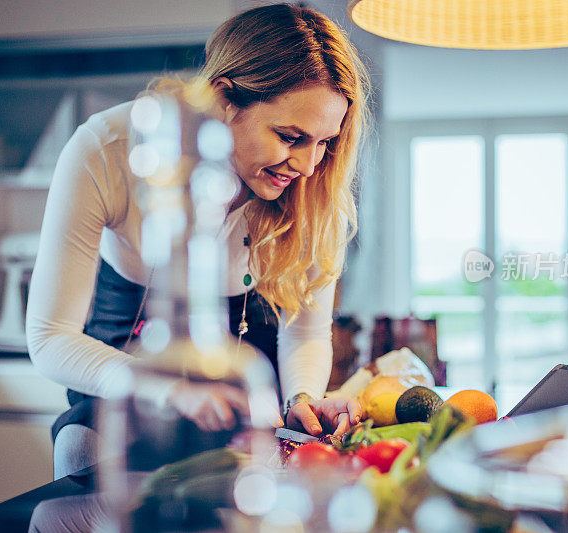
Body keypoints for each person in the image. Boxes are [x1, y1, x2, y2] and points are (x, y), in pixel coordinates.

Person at [26, 3, 370, 478]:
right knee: (81, 452)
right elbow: (50, 338)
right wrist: (171, 392)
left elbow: (305, 332)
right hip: (126, 359)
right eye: (291, 137)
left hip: (246, 374)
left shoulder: (317, 185)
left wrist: (301, 399)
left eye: (325, 142)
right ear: (224, 99)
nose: (310, 166)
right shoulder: (108, 150)